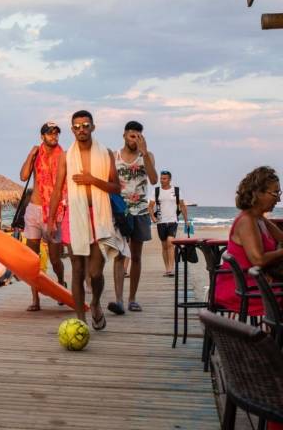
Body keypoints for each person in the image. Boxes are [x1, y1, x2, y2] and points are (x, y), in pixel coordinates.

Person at [47, 110, 121, 330]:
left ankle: (95, 302)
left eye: (85, 125)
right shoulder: (66, 156)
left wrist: (92, 180)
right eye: (77, 126)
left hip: (99, 215)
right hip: (74, 216)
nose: (81, 130)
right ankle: (80, 321)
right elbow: (57, 189)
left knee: (95, 272)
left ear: (93, 127)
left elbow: (116, 187)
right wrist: (51, 220)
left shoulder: (105, 153)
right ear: (72, 130)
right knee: (78, 270)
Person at [215, 166, 283, 315]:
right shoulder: (247, 220)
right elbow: (258, 259)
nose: (278, 199)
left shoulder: (259, 218)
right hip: (242, 289)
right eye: (275, 193)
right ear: (258, 193)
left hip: (254, 282)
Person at [109, 121, 158, 315]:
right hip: (120, 211)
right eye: (132, 136)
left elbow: (154, 180)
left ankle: (132, 299)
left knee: (136, 256)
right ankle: (119, 299)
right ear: (124, 135)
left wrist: (144, 153)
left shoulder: (147, 156)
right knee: (120, 255)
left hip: (141, 212)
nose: (135, 139)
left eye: (138, 136)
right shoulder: (114, 156)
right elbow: (109, 183)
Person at [19, 121, 67, 311]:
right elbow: (23, 176)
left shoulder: (63, 156)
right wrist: (31, 154)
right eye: (49, 133)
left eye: (56, 133)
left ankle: (61, 282)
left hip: (54, 211)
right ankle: (35, 298)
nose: (53, 136)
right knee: (33, 258)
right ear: (42, 136)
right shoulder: (36, 154)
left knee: (55, 259)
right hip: (33, 209)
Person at [149, 170, 189, 277]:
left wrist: (186, 221)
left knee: (170, 243)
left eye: (164, 178)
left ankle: (171, 268)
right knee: (164, 246)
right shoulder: (156, 191)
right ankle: (167, 267)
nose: (162, 180)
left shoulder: (176, 190)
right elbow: (150, 206)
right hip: (161, 222)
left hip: (173, 221)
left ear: (169, 179)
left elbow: (183, 206)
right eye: (161, 178)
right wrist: (153, 217)